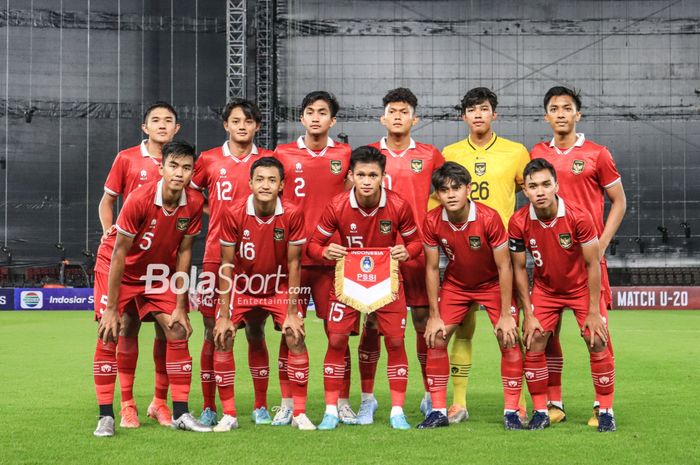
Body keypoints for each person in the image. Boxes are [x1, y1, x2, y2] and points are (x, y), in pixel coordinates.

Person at [93, 141, 208, 436]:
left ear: (192, 171)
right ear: (161, 168)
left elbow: (184, 253)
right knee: (112, 331)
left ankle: (177, 411)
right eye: (174, 166)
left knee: (177, 329)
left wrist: (181, 305)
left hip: (158, 273)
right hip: (119, 266)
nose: (179, 173)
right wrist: (110, 309)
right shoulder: (139, 199)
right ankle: (112, 411)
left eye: (186, 168)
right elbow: (119, 253)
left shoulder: (194, 202)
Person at [307, 146, 422, 430]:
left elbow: (417, 243)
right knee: (336, 340)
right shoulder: (337, 205)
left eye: (373, 174)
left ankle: (397, 411)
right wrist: (325, 252)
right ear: (351, 176)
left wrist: (406, 252)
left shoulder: (398, 205)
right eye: (361, 174)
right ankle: (331, 410)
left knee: (395, 342)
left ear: (383, 176)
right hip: (347, 282)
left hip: (387, 281)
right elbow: (312, 245)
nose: (367, 181)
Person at [530, 86, 626, 426]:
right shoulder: (538, 152)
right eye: (554, 108)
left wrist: (602, 242)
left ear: (577, 115)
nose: (560, 113)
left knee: (596, 335)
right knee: (544, 336)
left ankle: (604, 407)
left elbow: (619, 200)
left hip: (586, 262)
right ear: (546, 116)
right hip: (549, 262)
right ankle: (553, 405)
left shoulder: (598, 154)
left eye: (566, 108)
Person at [439, 87, 530, 423]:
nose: (478, 115)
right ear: (463, 116)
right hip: (462, 260)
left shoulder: (516, 152)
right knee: (462, 331)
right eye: (471, 110)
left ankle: (516, 403)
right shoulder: (450, 153)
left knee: (509, 331)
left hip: (501, 259)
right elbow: (440, 201)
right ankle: (459, 403)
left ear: (495, 114)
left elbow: (531, 189)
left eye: (484, 109)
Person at [509, 158, 616, 432]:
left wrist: (594, 312)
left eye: (546, 184)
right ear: (526, 191)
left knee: (597, 340)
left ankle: (605, 410)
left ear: (556, 185)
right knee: (533, 340)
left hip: (581, 288)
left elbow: (593, 264)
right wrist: (529, 314)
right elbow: (519, 268)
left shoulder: (579, 217)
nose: (540, 191)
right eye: (533, 186)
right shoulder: (518, 221)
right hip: (546, 290)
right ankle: (542, 411)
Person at [357, 88, 445, 422]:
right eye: (392, 111)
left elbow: (446, 195)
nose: (397, 116)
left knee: (424, 322)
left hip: (417, 251)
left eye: (404, 111)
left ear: (414, 118)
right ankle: (368, 398)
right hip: (376, 254)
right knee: (373, 322)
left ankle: (426, 394)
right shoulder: (368, 155)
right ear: (383, 117)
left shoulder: (430, 155)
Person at [212, 157, 315, 431]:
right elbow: (226, 264)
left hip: (278, 287)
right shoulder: (233, 212)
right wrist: (224, 315)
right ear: (250, 183)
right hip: (242, 287)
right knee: (222, 337)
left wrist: (292, 312)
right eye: (260, 179)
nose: (265, 185)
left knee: (295, 335)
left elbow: (294, 263)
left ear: (281, 185)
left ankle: (299, 413)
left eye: (272, 180)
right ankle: (230, 415)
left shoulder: (292, 213)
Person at [95, 101, 181, 431]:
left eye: (168, 121)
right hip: (129, 261)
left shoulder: (182, 163)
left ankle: (160, 403)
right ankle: (127, 404)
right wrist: (109, 232)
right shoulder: (127, 158)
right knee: (126, 326)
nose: (162, 125)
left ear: (177, 128)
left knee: (167, 330)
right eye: (155, 120)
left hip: (163, 262)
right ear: (144, 127)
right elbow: (108, 201)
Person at [419, 162, 523, 430]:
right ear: (438, 195)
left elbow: (504, 266)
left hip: (492, 284)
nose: (451, 194)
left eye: (456, 188)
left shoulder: (489, 218)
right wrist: (433, 315)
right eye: (444, 190)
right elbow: (431, 267)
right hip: (456, 285)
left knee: (508, 337)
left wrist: (505, 314)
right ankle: (439, 410)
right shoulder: (431, 221)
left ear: (469, 189)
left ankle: (512, 410)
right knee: (436, 337)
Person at [190, 99, 274, 426]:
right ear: (226, 124)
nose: (242, 126)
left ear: (257, 126)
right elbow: (192, 196)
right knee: (213, 332)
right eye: (236, 120)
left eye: (248, 121)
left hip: (257, 262)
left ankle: (261, 405)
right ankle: (210, 405)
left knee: (255, 330)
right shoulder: (209, 160)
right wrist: (218, 216)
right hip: (215, 257)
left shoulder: (268, 161)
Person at [273, 91, 355, 425]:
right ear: (302, 118)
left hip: (333, 261)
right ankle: (287, 403)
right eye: (310, 112)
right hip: (293, 261)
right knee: (289, 331)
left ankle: (343, 402)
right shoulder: (283, 153)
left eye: (323, 112)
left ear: (332, 120)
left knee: (339, 334)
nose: (316, 117)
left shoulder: (345, 154)